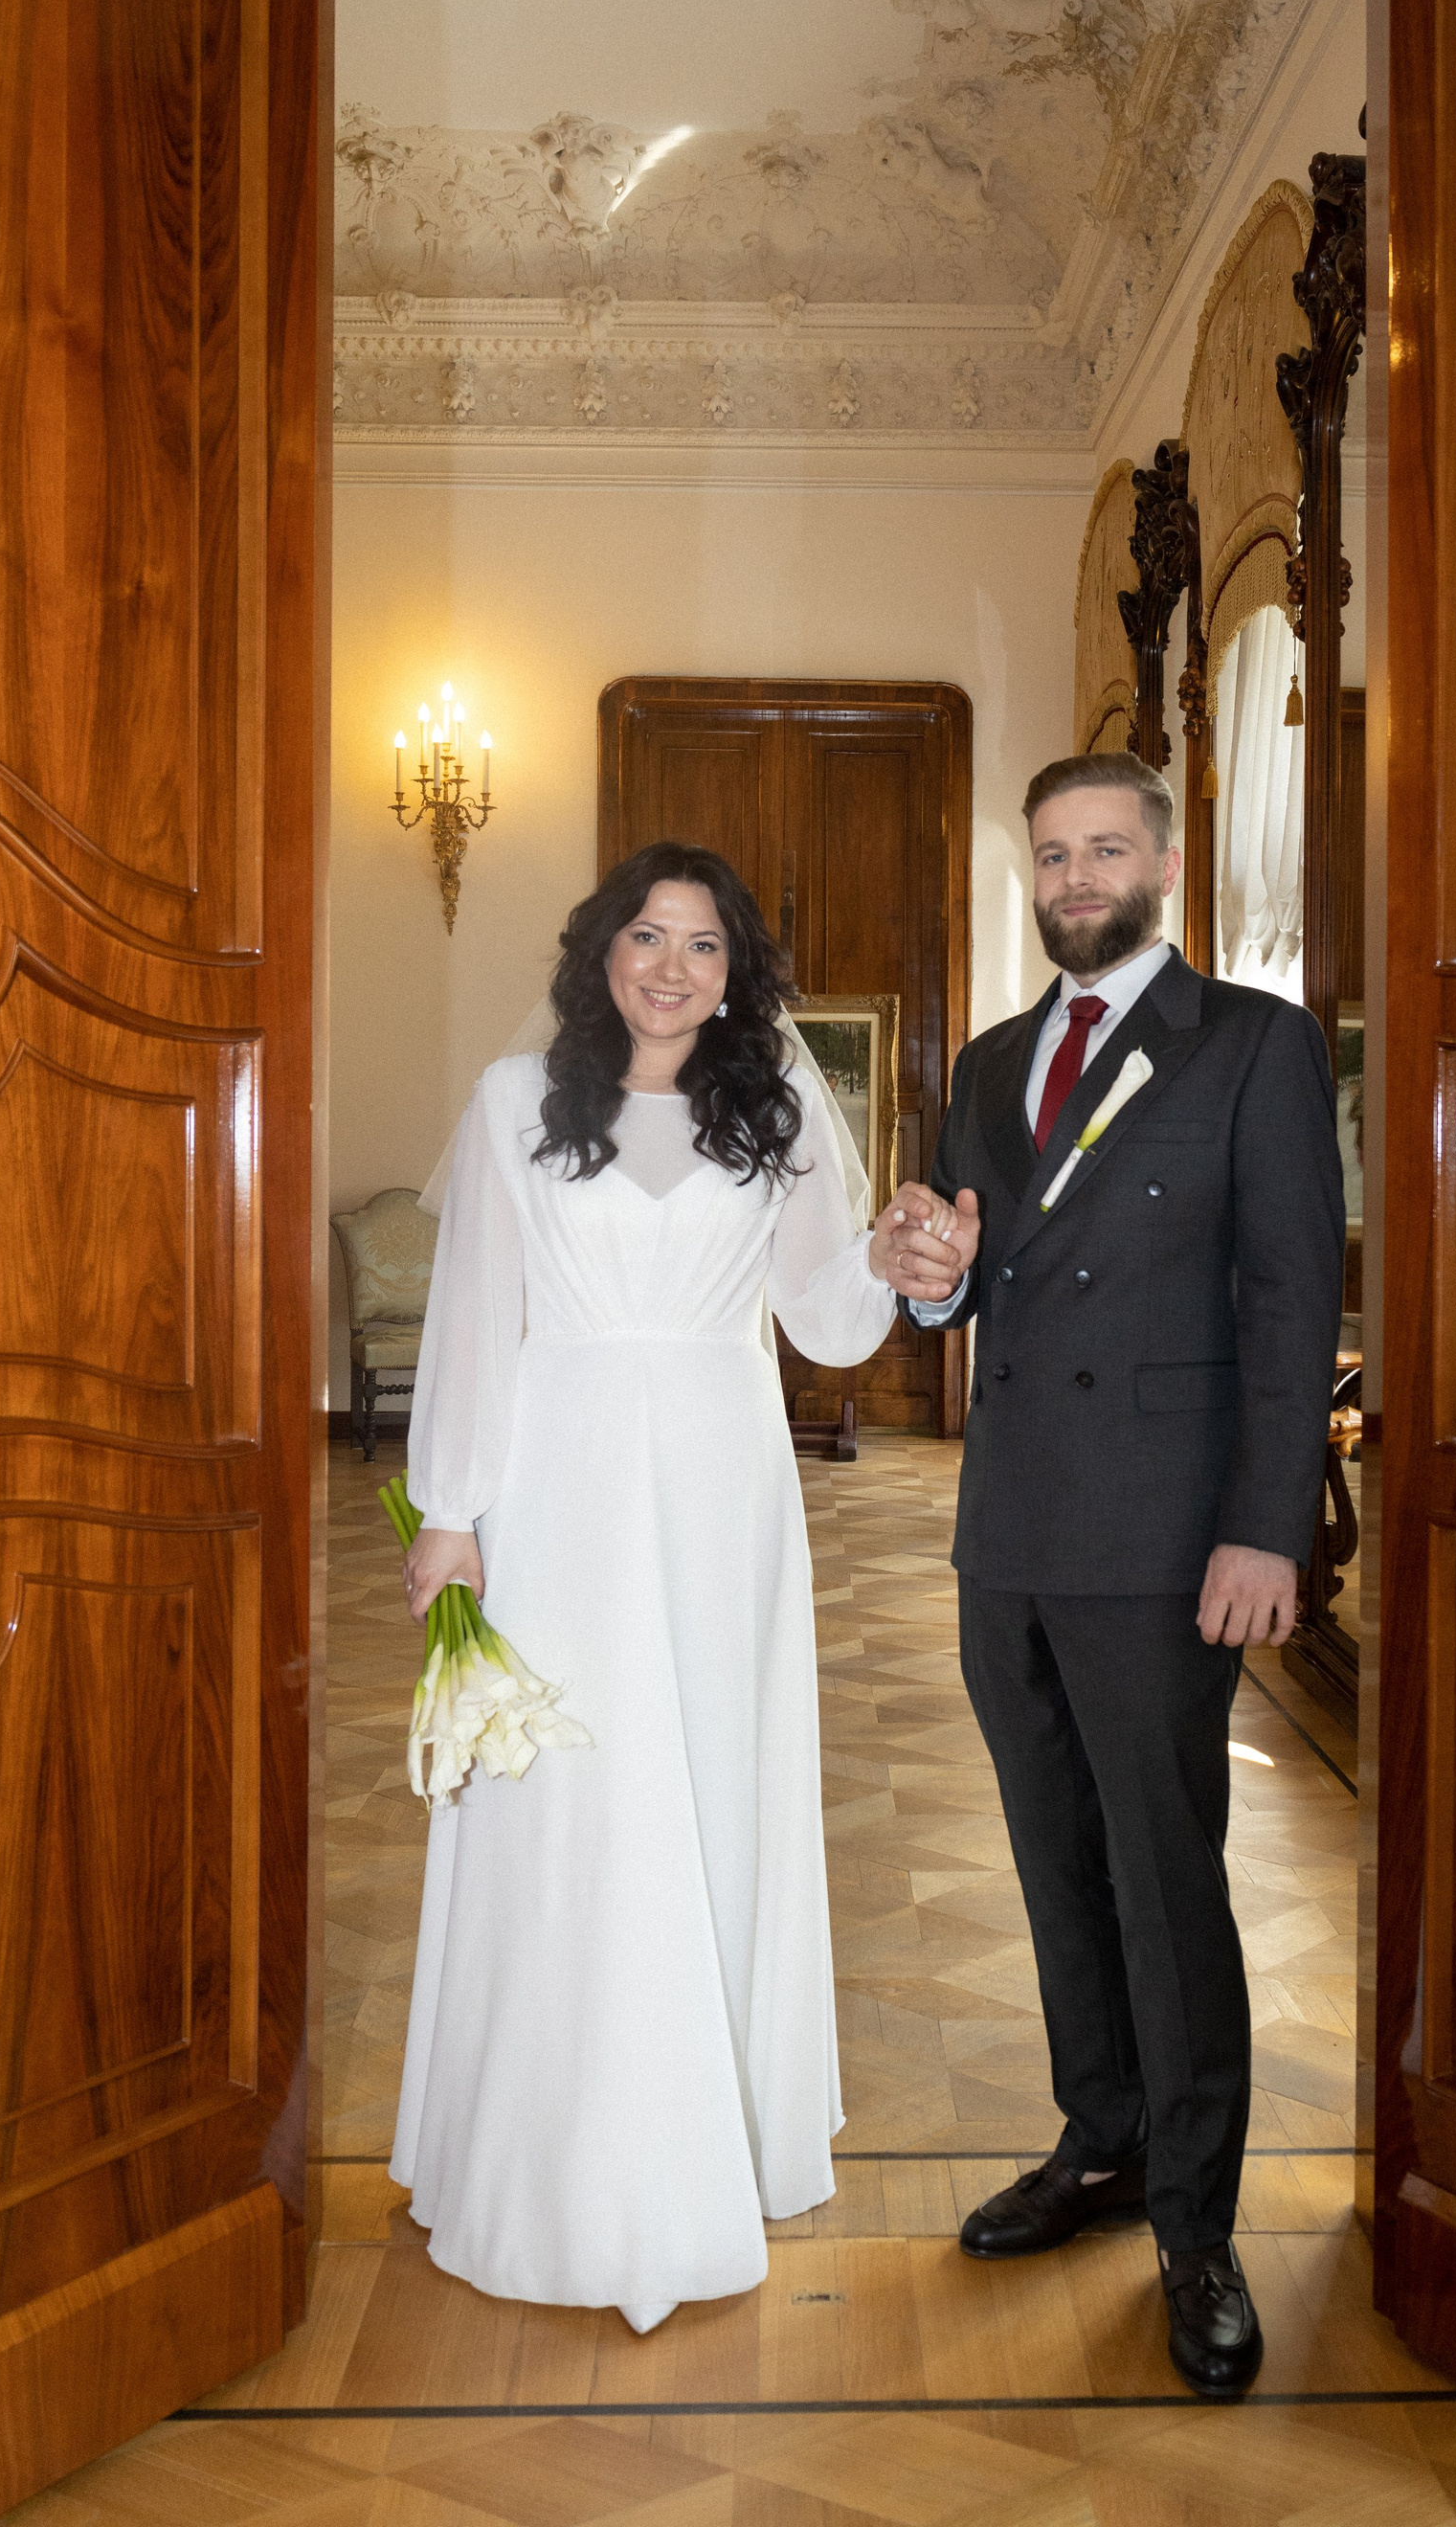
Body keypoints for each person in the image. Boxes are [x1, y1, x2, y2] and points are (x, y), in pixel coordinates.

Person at [392, 842, 917, 2333]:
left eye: (703, 944)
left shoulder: (779, 1102)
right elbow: (473, 1314)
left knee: (708, 1771)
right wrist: (450, 1511)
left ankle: (712, 2140)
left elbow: (824, 1322)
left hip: (720, 1487)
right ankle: (545, 2153)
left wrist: (896, 1257)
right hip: (555, 1483)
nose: (672, 966)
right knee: (574, 1788)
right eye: (646, 936)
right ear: (600, 954)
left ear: (735, 972)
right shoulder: (516, 1100)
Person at [877, 752, 1344, 2399]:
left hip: (1160, 1542)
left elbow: (1291, 1298)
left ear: (1163, 863)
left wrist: (1267, 1528)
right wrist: (926, 1276)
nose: (1076, 877)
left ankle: (1197, 2225)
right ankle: (1103, 2141)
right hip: (1007, 1531)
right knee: (1056, 1863)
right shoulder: (993, 1062)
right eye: (1053, 854)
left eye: (1105, 850)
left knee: (1164, 1878)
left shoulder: (1254, 1044)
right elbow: (967, 1278)